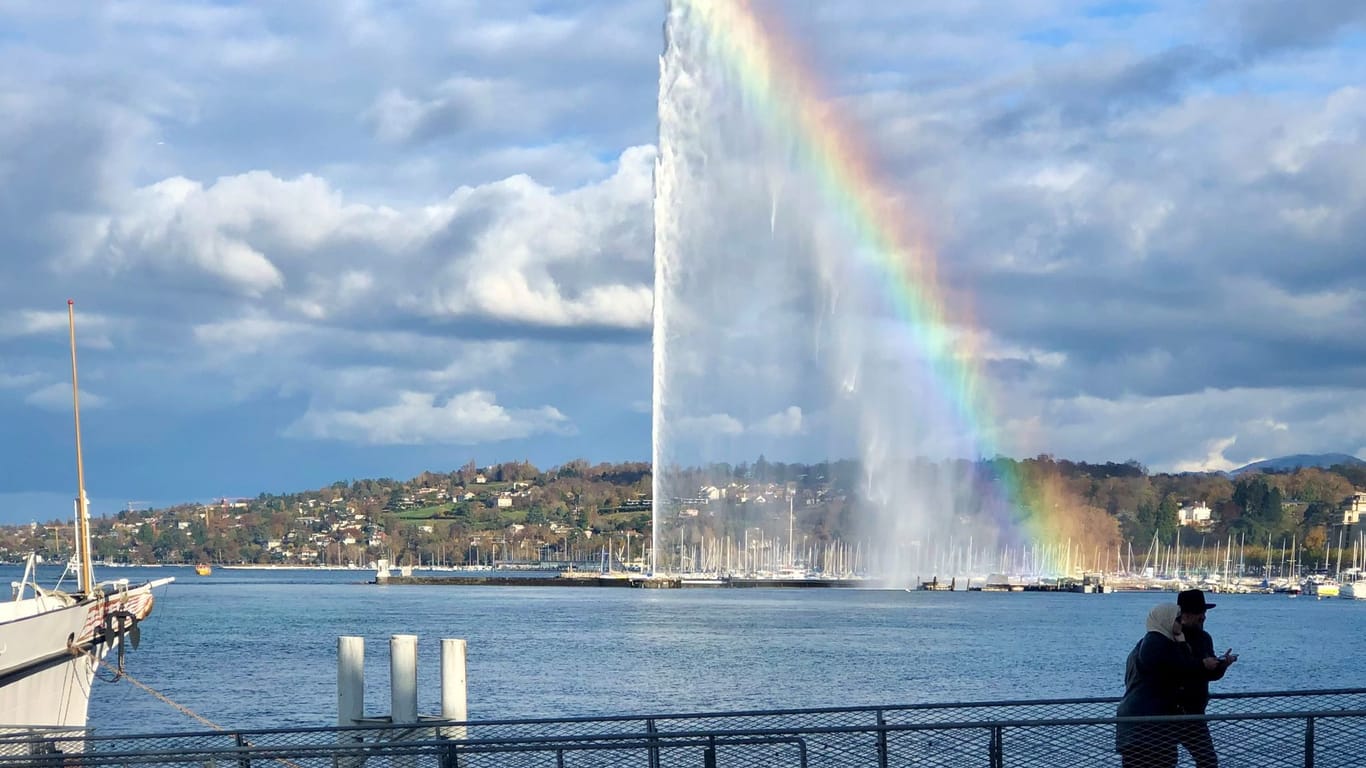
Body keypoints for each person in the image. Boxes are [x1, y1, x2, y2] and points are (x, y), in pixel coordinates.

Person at [1116, 603, 1221, 768]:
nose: (1181, 623)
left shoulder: (1155, 642)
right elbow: (1177, 668)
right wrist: (1200, 664)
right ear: (1167, 620)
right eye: (1177, 619)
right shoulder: (1155, 644)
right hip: (1148, 725)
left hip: (1147, 724)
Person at [1175, 588, 1238, 768]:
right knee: (1165, 761)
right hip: (1169, 711)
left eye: (1203, 612)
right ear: (1184, 615)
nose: (1203, 617)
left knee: (1208, 762)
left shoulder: (1204, 638)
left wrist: (1222, 666)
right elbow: (1173, 668)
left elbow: (1210, 675)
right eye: (1199, 613)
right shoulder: (1170, 637)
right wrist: (1202, 665)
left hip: (1195, 713)